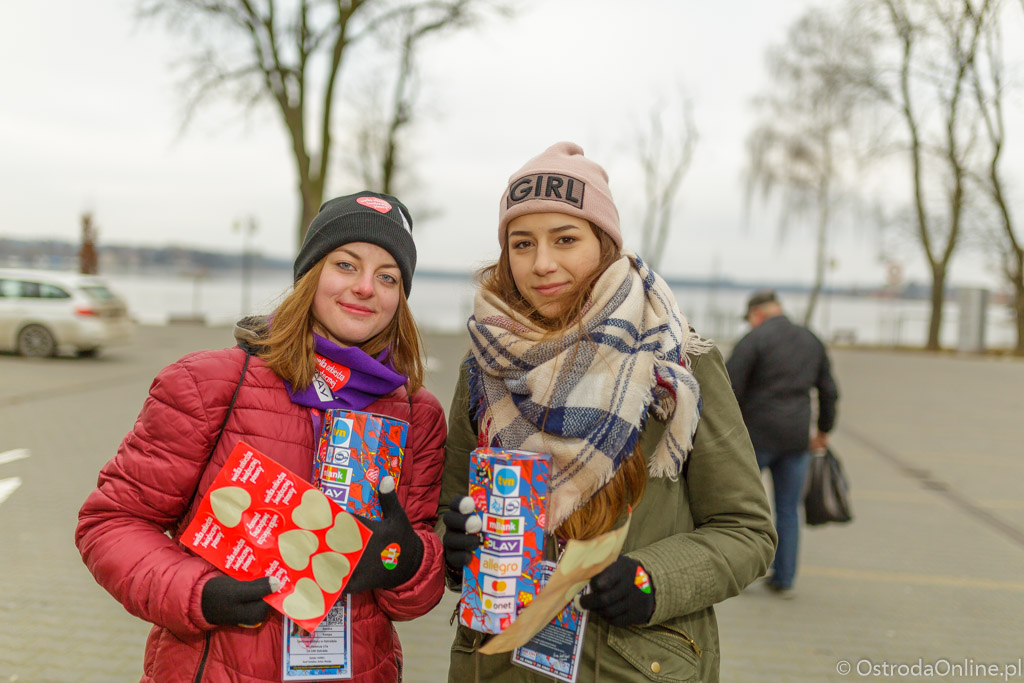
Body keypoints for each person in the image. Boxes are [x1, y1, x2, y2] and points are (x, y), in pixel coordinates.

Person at [438, 142, 776, 682]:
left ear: (604, 244)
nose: (542, 263)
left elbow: (747, 531)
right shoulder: (484, 368)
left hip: (629, 664)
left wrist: (652, 579)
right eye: (522, 244)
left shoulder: (677, 364)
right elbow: (449, 505)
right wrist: (454, 545)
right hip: (501, 662)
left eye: (566, 239)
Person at [76, 192, 447, 682]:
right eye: (346, 264)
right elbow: (110, 523)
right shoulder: (208, 384)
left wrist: (410, 562)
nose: (364, 288)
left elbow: (415, 596)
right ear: (310, 273)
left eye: (387, 277)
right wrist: (200, 593)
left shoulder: (418, 414)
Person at [726, 289, 839, 598]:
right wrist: (824, 429)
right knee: (788, 510)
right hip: (796, 438)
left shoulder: (754, 340)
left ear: (758, 314)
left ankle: (740, 574)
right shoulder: (810, 339)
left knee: (741, 508)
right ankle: (784, 577)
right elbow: (829, 390)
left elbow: (728, 386)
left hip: (755, 437)